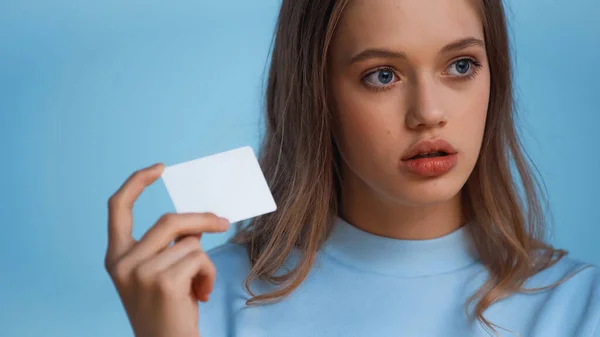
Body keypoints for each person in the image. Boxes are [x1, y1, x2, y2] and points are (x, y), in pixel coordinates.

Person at [104, 0, 600, 336]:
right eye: (382, 75)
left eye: (461, 66)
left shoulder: (580, 307)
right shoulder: (204, 301)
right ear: (315, 96)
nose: (428, 112)